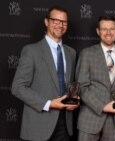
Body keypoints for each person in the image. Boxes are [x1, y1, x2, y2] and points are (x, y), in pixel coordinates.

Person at [11, 5, 78, 141]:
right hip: (39, 124)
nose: (60, 25)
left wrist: (75, 99)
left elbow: (70, 85)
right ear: (46, 22)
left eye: (64, 22)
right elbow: (18, 87)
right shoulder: (31, 51)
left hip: (65, 124)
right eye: (56, 21)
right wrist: (49, 103)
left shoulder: (71, 52)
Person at [76, 16, 115, 141]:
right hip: (90, 119)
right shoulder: (87, 53)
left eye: (112, 29)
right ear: (98, 31)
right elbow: (81, 87)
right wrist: (102, 106)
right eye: (104, 29)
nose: (108, 33)